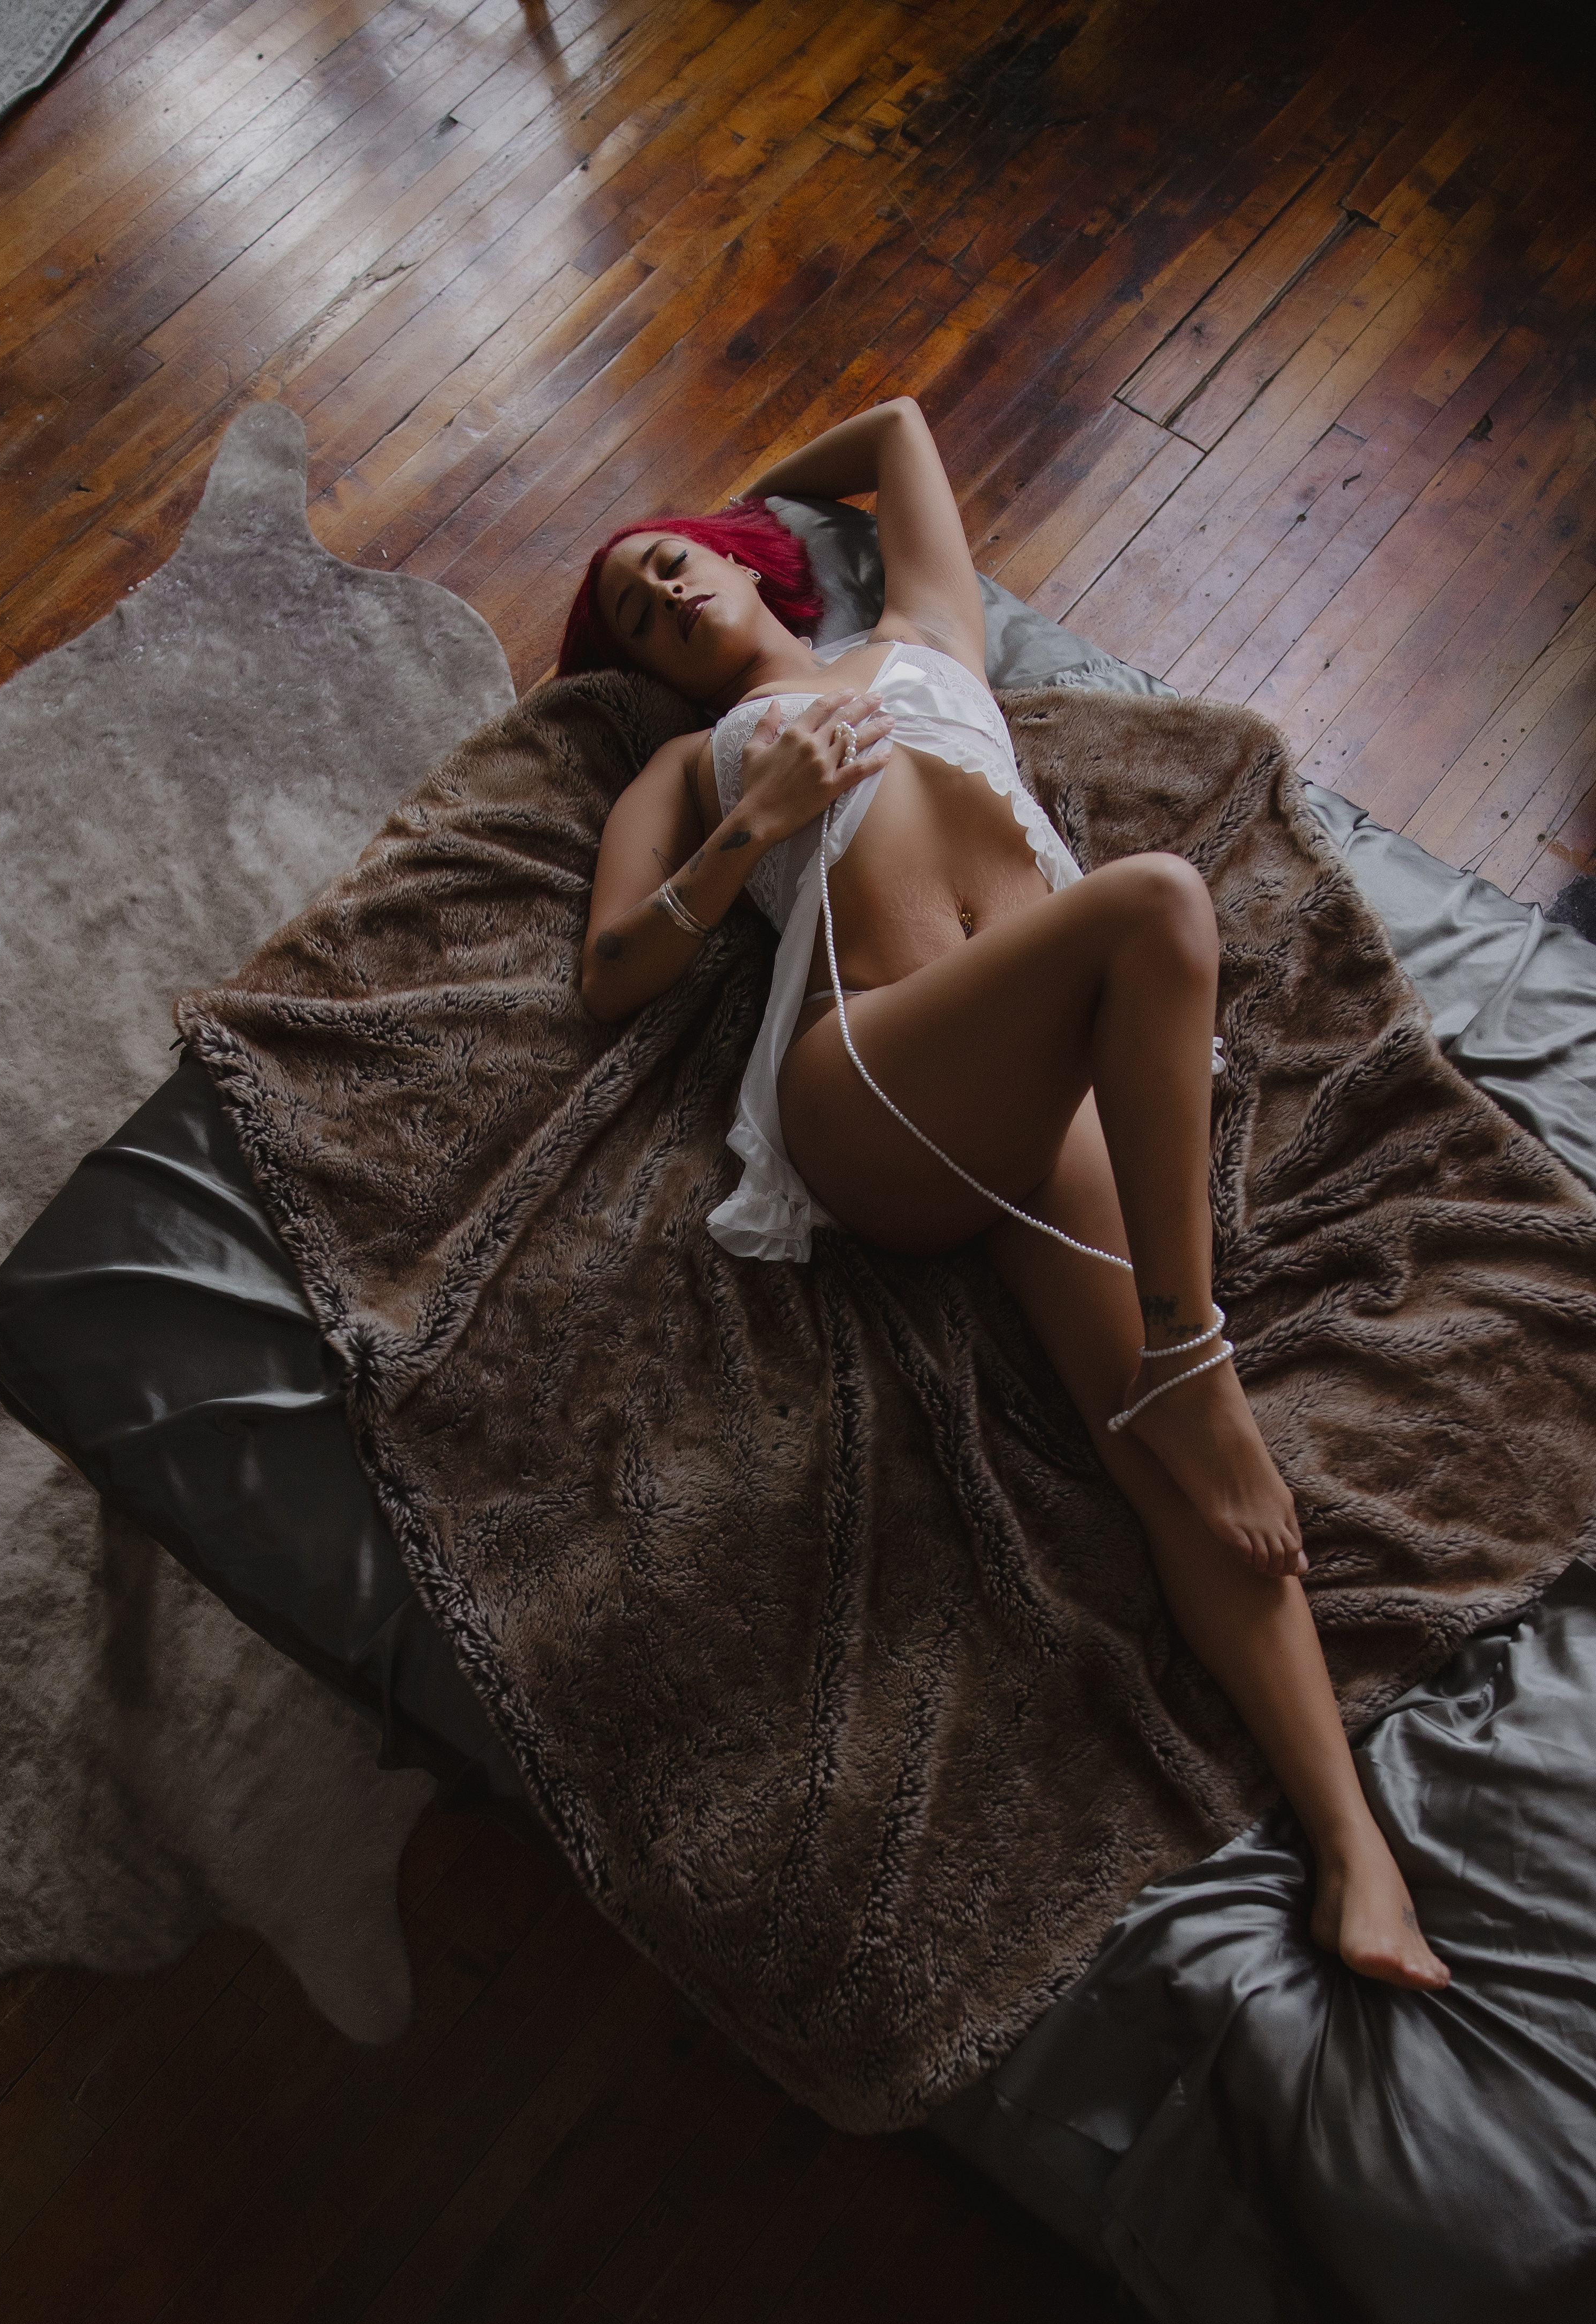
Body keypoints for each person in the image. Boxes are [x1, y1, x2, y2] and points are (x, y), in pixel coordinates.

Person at [563, 396, 1448, 1994]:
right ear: (642, 673)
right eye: (635, 612)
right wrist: (751, 828)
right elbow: (614, 972)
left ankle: (1351, 1853)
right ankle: (1198, 1356)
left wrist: (744, 496)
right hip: (869, 1091)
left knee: (1159, 1465)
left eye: (674, 565)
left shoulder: (922, 629)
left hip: (1025, 1075)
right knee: (1158, 909)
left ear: (749, 563)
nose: (665, 598)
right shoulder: (695, 766)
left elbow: (897, 426)